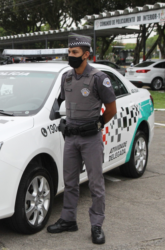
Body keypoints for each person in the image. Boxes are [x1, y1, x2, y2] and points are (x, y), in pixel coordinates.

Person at [47, 33, 117, 245]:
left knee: (96, 184)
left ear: (86, 54)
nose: (71, 56)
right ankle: (69, 220)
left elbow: (112, 109)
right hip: (71, 138)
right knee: (69, 182)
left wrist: (96, 125)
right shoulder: (66, 77)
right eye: (69, 52)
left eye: (75, 53)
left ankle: (96, 225)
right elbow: (60, 102)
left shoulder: (98, 78)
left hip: (90, 139)